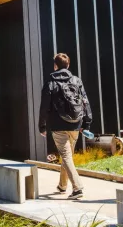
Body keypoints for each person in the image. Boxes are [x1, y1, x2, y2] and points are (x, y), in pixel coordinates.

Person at [39, 53, 93, 200]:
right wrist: (86, 124)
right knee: (67, 156)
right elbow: (85, 102)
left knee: (66, 156)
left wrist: (42, 126)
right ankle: (62, 186)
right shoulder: (76, 80)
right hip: (75, 124)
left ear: (55, 66)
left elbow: (44, 106)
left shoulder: (50, 82)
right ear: (68, 65)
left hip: (58, 125)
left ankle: (77, 188)